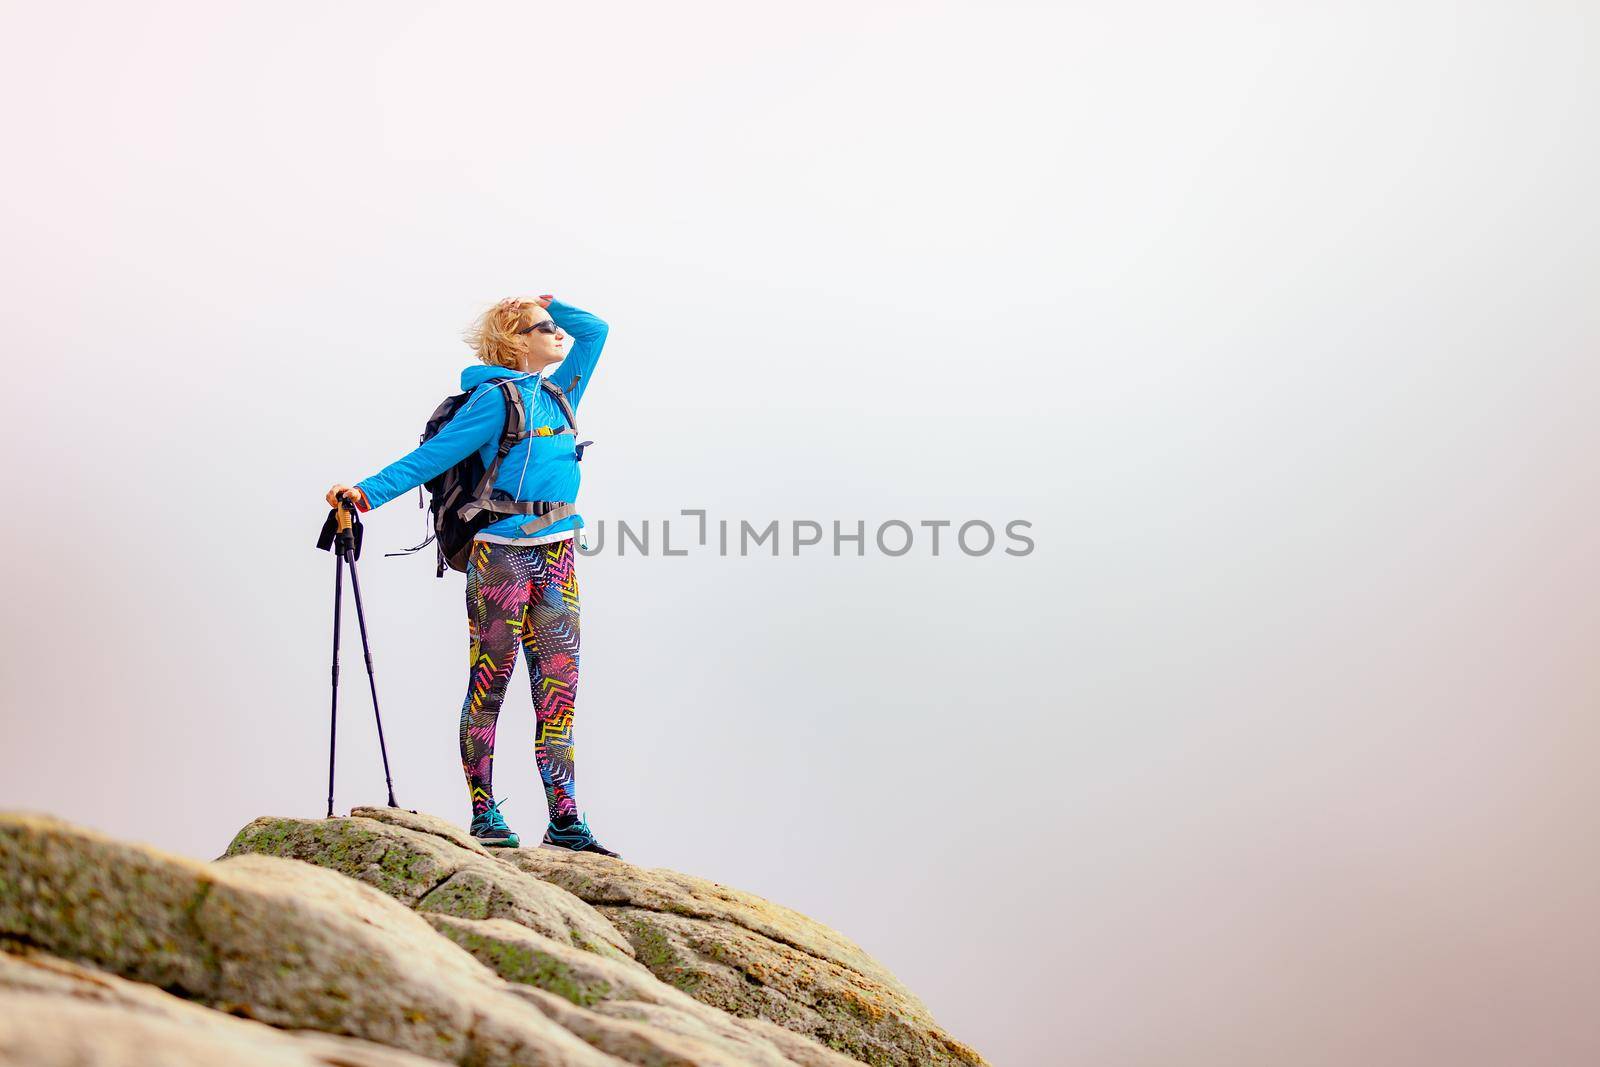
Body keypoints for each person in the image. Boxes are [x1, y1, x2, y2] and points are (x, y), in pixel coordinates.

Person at [324, 294, 620, 857]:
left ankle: (565, 819)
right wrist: (363, 495)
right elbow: (431, 459)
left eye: (557, 330)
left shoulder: (561, 392)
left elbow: (597, 331)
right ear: (516, 341)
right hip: (500, 557)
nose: (559, 335)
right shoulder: (493, 401)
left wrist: (550, 302)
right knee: (492, 682)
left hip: (559, 556)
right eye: (545, 329)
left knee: (558, 692)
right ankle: (485, 815)